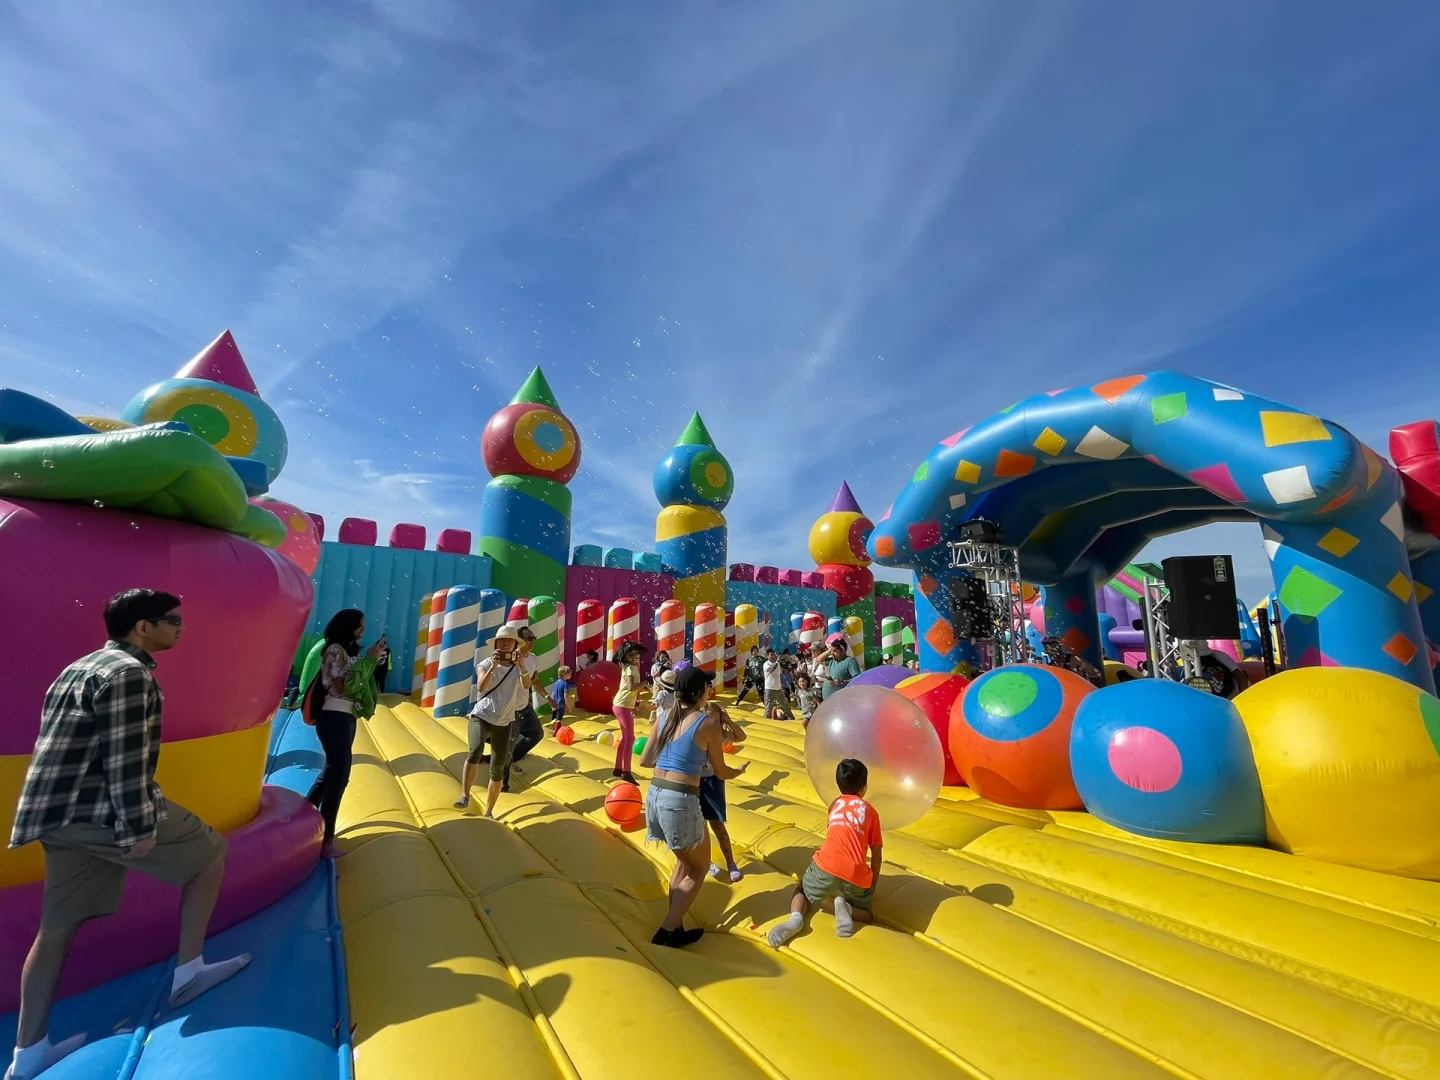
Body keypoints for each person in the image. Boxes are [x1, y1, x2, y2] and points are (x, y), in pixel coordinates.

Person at [7, 590, 250, 1080]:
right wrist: (137, 828)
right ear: (143, 627)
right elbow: (125, 760)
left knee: (57, 926)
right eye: (172, 621)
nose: (180, 628)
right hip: (98, 809)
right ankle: (189, 972)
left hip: (55, 814)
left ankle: (27, 1053)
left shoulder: (80, 667)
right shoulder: (129, 675)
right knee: (211, 853)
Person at [639, 667, 747, 947]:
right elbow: (721, 772)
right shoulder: (706, 723)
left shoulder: (664, 716)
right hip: (680, 800)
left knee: (684, 862)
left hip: (654, 795)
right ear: (702, 692)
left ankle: (675, 925)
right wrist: (736, 771)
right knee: (698, 868)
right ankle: (667, 930)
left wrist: (678, 756)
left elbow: (645, 761)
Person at [767, 758, 881, 947]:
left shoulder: (835, 805)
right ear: (865, 787)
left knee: (801, 889)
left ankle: (795, 919)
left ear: (839, 786)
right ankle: (847, 908)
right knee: (868, 916)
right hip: (855, 873)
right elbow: (876, 855)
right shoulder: (871, 812)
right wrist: (872, 886)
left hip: (826, 866)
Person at [307, 609, 385, 858]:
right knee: (339, 777)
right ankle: (325, 839)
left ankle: (303, 820)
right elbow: (343, 686)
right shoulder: (334, 651)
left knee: (331, 773)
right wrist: (369, 660)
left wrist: (371, 659)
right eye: (359, 625)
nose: (362, 630)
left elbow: (357, 683)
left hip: (346, 718)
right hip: (334, 717)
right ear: (347, 626)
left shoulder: (349, 652)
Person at [455, 626, 527, 817]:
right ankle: (465, 795)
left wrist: (521, 666)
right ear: (495, 644)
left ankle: (488, 811)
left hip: (504, 722)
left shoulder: (517, 666)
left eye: (510, 641)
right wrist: (493, 667)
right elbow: (481, 687)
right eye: (502, 640)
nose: (505, 644)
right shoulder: (485, 664)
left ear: (514, 645)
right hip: (482, 715)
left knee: (498, 767)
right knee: (475, 750)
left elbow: (526, 685)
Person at [503, 627, 545, 790]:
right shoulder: (510, 659)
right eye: (529, 638)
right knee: (508, 745)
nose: (533, 641)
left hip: (524, 708)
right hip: (510, 709)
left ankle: (511, 758)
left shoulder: (533, 659)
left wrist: (547, 697)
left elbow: (535, 680)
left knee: (537, 734)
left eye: (534, 637)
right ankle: (503, 783)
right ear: (520, 641)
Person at [611, 640, 645, 784]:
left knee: (625, 738)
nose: (635, 657)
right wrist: (645, 683)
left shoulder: (628, 667)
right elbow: (632, 687)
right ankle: (626, 771)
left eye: (636, 654)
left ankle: (618, 768)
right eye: (632, 655)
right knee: (630, 738)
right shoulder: (630, 668)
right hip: (623, 705)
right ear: (625, 657)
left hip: (622, 704)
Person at [821, 635, 861, 700]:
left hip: (841, 700)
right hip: (828, 701)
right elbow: (818, 660)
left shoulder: (850, 661)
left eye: (835, 651)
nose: (832, 653)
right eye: (831, 651)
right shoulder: (832, 660)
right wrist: (829, 651)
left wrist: (842, 682)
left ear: (843, 650)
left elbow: (858, 679)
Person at [761, 649, 793, 721]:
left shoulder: (778, 664)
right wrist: (777, 662)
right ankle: (767, 720)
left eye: (774, 654)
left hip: (778, 688)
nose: (773, 656)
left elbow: (780, 674)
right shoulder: (766, 664)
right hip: (769, 688)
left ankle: (791, 718)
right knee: (769, 707)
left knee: (785, 705)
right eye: (771, 655)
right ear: (767, 656)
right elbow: (771, 670)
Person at [548, 665, 575, 733]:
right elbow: (565, 695)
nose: (571, 675)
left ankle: (553, 729)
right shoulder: (565, 684)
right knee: (559, 719)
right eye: (569, 673)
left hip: (555, 703)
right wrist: (568, 706)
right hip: (560, 704)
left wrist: (551, 703)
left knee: (555, 718)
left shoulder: (557, 682)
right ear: (564, 674)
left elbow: (553, 692)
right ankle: (557, 732)